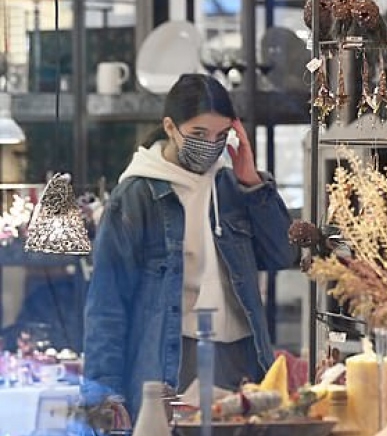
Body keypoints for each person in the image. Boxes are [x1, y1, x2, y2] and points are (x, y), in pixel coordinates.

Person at [82, 74, 294, 418]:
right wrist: (104, 393)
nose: (210, 144)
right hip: (173, 357)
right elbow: (107, 303)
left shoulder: (231, 187)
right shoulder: (136, 196)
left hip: (240, 358)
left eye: (221, 135)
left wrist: (252, 182)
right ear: (170, 127)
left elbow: (283, 254)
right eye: (198, 134)